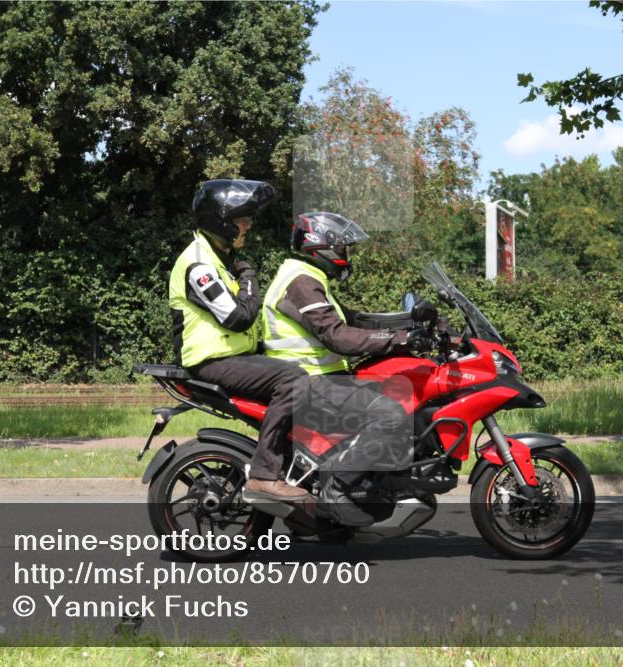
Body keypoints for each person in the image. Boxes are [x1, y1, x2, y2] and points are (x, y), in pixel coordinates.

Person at [260, 211, 432, 526]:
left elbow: (354, 320)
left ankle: (332, 516)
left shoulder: (309, 278)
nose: (346, 256)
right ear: (323, 247)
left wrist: (409, 327)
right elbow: (337, 336)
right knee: (391, 414)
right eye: (343, 249)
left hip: (319, 379)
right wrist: (396, 340)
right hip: (308, 381)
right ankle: (338, 486)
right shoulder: (301, 282)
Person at [169, 179, 308, 501]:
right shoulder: (199, 264)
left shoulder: (221, 256)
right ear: (220, 220)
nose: (248, 224)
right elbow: (236, 317)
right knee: (293, 381)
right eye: (241, 218)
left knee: (304, 373)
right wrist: (249, 279)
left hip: (232, 357)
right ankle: (263, 475)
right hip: (211, 362)